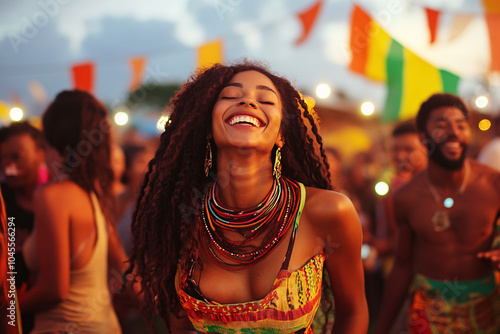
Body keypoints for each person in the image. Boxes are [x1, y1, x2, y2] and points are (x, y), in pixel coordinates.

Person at [126, 61, 368, 333]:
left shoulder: (327, 212)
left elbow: (354, 313)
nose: (248, 102)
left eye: (265, 99)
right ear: (207, 126)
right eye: (230, 96)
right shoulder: (182, 216)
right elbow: (179, 326)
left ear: (281, 136)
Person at [374, 93, 500, 334]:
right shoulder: (406, 198)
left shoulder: (494, 185)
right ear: (423, 136)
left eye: (460, 125)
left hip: (486, 309)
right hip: (429, 313)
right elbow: (402, 265)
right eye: (442, 125)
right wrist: (383, 327)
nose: (453, 132)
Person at [18, 90, 130, 333]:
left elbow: (54, 290)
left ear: (51, 142)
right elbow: (125, 268)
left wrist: (10, 307)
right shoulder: (93, 194)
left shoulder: (51, 195)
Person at [0, 121, 47, 333]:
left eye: (17, 157)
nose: (8, 167)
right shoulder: (2, 199)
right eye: (2, 159)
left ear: (41, 154)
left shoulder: (55, 201)